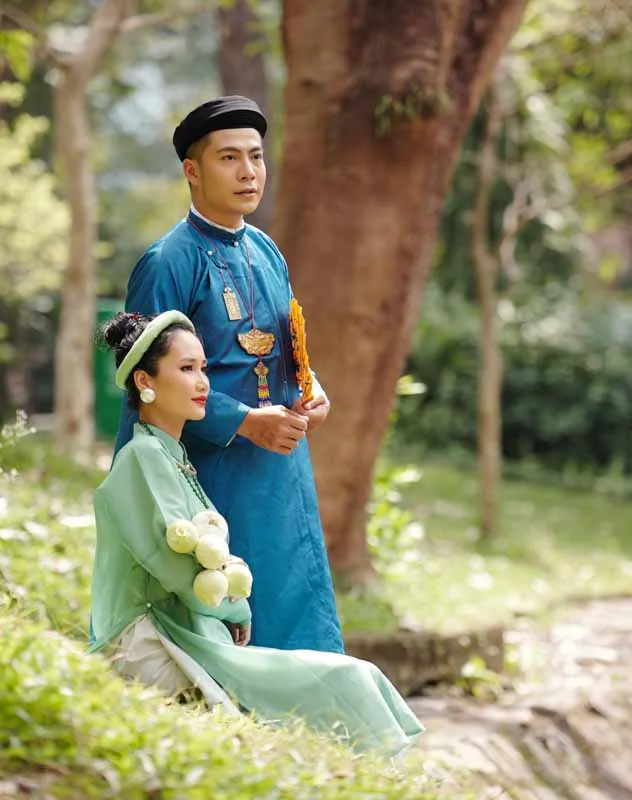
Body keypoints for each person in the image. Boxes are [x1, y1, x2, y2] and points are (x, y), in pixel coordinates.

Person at [90, 310, 423, 756]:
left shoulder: (171, 457)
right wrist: (238, 612)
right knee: (341, 681)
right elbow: (182, 571)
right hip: (151, 641)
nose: (203, 381)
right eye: (186, 369)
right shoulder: (142, 460)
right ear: (145, 383)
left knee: (347, 676)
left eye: (204, 368)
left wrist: (233, 611)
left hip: (188, 632)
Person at [113, 95, 342, 653]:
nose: (248, 172)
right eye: (229, 158)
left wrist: (313, 390)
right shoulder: (170, 261)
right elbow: (145, 381)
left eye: (257, 157)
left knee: (295, 592)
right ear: (192, 172)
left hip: (282, 466)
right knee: (224, 600)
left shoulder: (265, 249)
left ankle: (309, 725)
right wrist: (242, 421)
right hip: (208, 473)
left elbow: (292, 342)